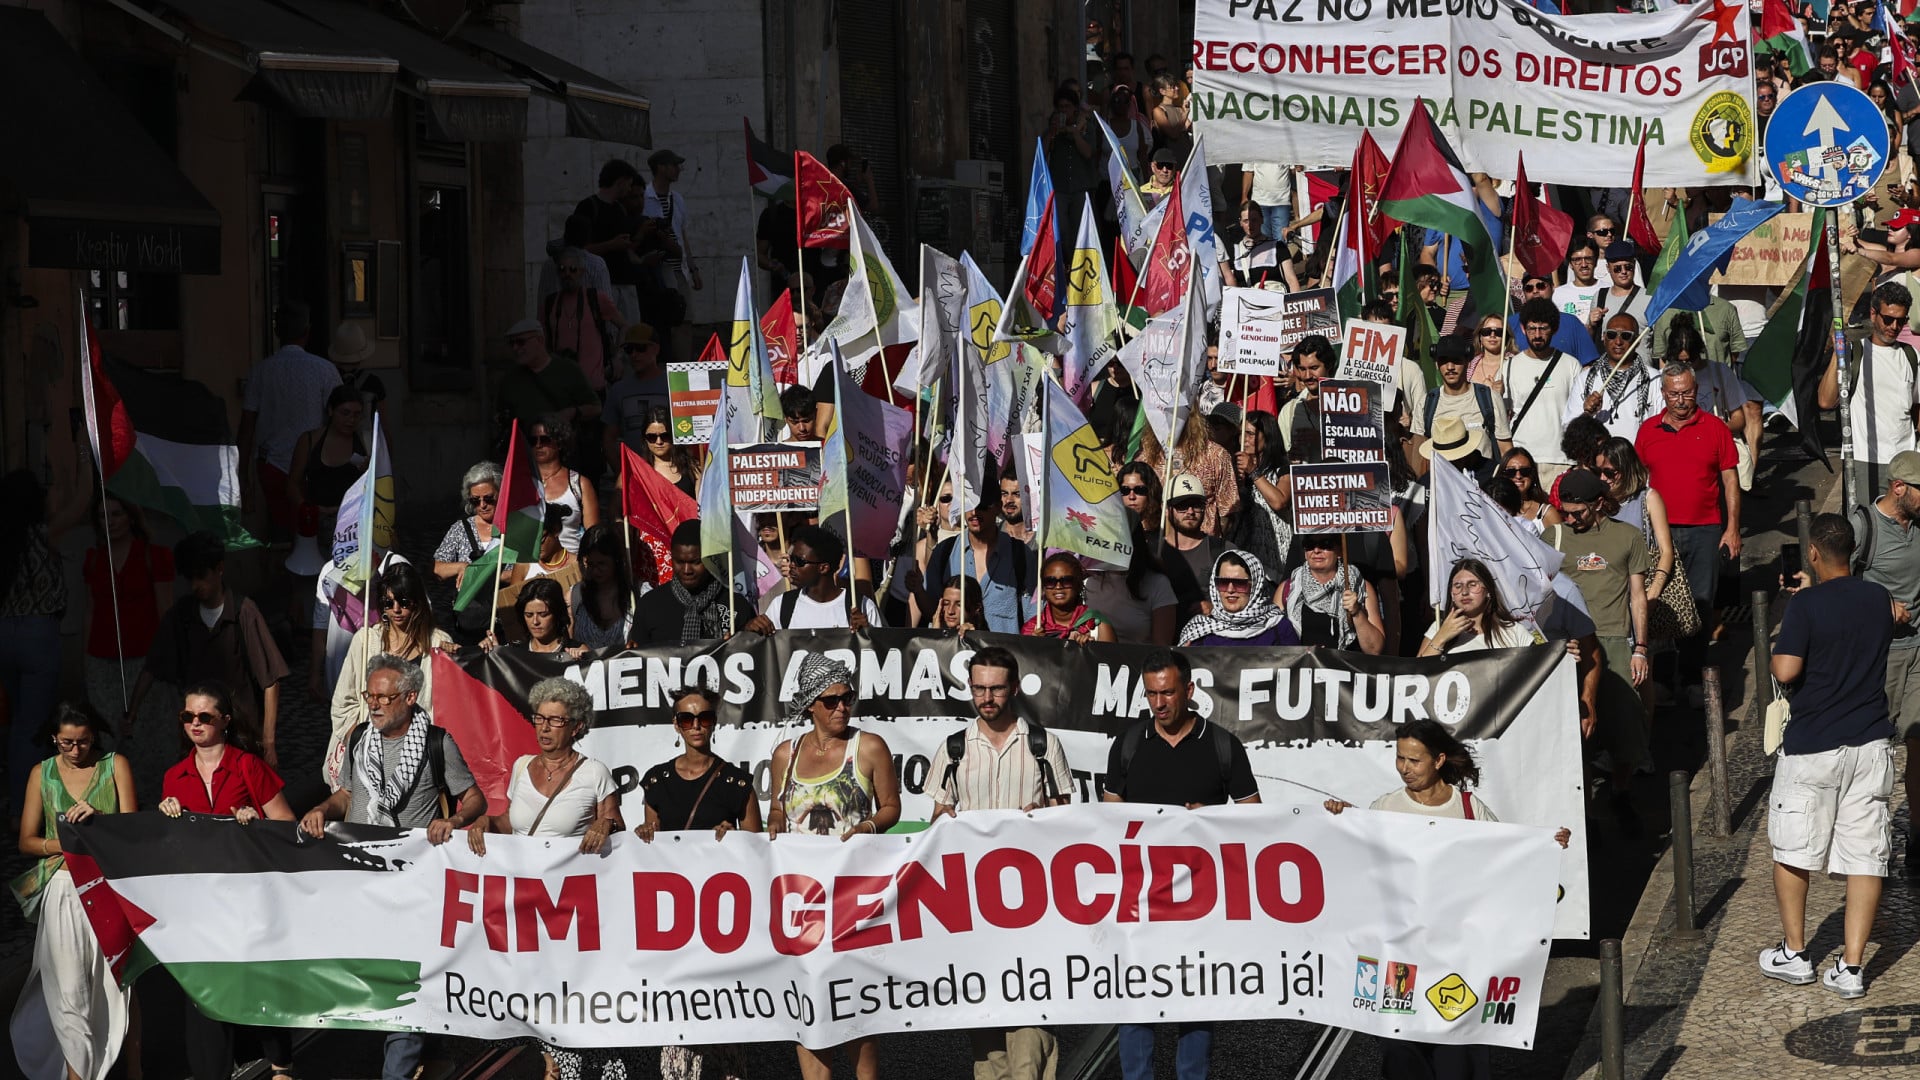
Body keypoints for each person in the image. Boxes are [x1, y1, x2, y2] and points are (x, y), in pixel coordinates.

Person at [300, 655, 481, 1080]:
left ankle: (397, 1071)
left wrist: (452, 820)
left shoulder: (438, 742)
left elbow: (473, 798)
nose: (374, 705)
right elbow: (347, 794)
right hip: (363, 879)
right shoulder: (360, 737)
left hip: (415, 882)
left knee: (407, 980)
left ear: (411, 697)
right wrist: (323, 808)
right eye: (370, 695)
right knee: (378, 975)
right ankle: (430, 1051)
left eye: (384, 696)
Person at [1101, 649, 1256, 1080]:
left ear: (1189, 690)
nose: (1159, 703)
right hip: (1141, 897)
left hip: (1200, 902)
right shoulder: (1129, 744)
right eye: (1151, 694)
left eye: (1168, 692)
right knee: (1135, 1000)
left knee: (1196, 998)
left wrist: (1212, 817)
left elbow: (1254, 819)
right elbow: (1107, 818)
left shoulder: (1223, 745)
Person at [1762, 513, 1897, 999]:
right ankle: (1853, 967)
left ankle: (1796, 954)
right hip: (1871, 741)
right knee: (1865, 855)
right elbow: (1882, 615)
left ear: (1813, 553)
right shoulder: (1878, 597)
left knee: (1795, 847)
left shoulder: (1806, 607)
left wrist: (1792, 616)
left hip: (1814, 744)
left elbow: (1787, 666)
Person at [466, 677, 623, 1080]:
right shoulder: (521, 766)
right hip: (524, 899)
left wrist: (604, 828)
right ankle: (553, 1062)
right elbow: (512, 821)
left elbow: (617, 826)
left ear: (577, 727)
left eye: (556, 721)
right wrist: (487, 820)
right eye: (540, 718)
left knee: (571, 988)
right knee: (536, 988)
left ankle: (581, 1066)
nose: (545, 728)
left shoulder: (595, 773)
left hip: (572, 905)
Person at [923, 646, 1069, 1080]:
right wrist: (944, 823)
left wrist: (1042, 819)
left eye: (996, 689)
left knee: (1029, 1014)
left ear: (1015, 688)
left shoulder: (1044, 745)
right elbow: (935, 822)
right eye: (979, 688)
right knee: (984, 1027)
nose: (987, 698)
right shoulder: (953, 749)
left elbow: (1067, 820)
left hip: (1033, 906)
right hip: (974, 907)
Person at [765, 655, 901, 1080]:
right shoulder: (786, 754)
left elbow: (892, 807)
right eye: (831, 701)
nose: (842, 707)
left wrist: (868, 825)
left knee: (856, 1018)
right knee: (809, 1018)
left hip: (849, 901)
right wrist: (772, 823)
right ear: (810, 704)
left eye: (848, 698)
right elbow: (775, 808)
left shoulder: (870, 746)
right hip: (801, 903)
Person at [157, 682, 296, 1080]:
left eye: (204, 717)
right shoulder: (174, 777)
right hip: (200, 906)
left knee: (256, 982)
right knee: (204, 990)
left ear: (225, 721)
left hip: (249, 900)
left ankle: (281, 1065)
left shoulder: (247, 766)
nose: (195, 723)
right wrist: (167, 814)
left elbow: (287, 824)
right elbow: (171, 847)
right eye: (188, 717)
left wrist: (257, 822)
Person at [632, 683, 758, 1080]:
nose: (696, 725)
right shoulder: (655, 782)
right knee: (678, 1024)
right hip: (674, 922)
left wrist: (735, 839)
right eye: (687, 718)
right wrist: (643, 835)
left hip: (721, 922)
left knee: (723, 1023)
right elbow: (649, 847)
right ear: (676, 725)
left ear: (714, 722)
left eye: (703, 717)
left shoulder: (737, 783)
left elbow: (757, 852)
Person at [11, 702, 136, 1080]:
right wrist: (64, 841)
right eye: (66, 743)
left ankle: (130, 1066)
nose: (75, 750)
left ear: (93, 736)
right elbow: (26, 841)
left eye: (82, 742)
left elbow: (132, 829)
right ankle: (78, 1074)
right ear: (54, 738)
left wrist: (99, 823)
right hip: (63, 888)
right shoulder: (41, 773)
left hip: (108, 886)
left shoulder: (115, 765)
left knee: (114, 983)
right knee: (69, 989)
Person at [129, 533, 288, 772]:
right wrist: (131, 712)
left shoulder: (244, 611)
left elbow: (271, 680)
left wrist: (268, 742)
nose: (195, 586)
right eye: (190, 579)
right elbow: (153, 666)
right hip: (198, 737)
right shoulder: (182, 615)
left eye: (201, 577)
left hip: (240, 734)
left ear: (219, 569)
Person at [1546, 469, 1651, 822]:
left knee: (1625, 727)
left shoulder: (1627, 536)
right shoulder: (1553, 537)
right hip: (1568, 644)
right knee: (1576, 732)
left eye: (1578, 512)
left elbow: (1638, 596)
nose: (1571, 519)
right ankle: (1583, 813)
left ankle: (1620, 790)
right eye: (1566, 511)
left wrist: (1641, 648)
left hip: (1614, 640)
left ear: (1599, 504)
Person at [1637, 362, 1740, 698]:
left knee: (1699, 603)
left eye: (1687, 392)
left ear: (1697, 391)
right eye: (1674, 394)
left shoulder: (1715, 428)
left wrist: (1733, 528)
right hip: (1659, 533)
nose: (1681, 400)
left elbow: (1730, 480)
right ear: (1663, 394)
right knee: (1661, 604)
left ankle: (1695, 677)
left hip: (1705, 530)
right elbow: (1638, 483)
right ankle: (1665, 678)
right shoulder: (1648, 430)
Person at [1848, 452, 1920, 875]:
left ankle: (1916, 836)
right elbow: (1835, 582)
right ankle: (1867, 838)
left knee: (1918, 744)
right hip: (1882, 657)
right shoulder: (1864, 527)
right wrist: (1881, 605)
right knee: (1877, 751)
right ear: (1899, 488)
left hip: (1919, 652)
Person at [2, 468, 89, 816]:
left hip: (4, 633)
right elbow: (82, 496)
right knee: (31, 725)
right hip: (39, 634)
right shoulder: (44, 534)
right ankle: (24, 812)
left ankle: (19, 801)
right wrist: (83, 446)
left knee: (16, 721)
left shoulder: (4, 539)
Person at [325, 561, 453, 788]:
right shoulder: (365, 641)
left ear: (417, 601)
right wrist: (360, 739)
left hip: (417, 759)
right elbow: (342, 702)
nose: (396, 609)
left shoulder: (438, 644)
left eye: (403, 601)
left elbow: (449, 709)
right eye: (387, 602)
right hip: (368, 759)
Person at [238, 302, 341, 538]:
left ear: (276, 332)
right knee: (311, 534)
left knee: (273, 536)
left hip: (271, 466)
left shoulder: (260, 371)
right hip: (312, 469)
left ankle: (275, 571)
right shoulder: (325, 370)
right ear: (307, 331)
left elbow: (246, 428)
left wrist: (244, 479)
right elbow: (337, 424)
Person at [81, 494, 174, 739]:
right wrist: (86, 658)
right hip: (101, 661)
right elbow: (90, 610)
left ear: (131, 518)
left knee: (145, 735)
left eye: (116, 514)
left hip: (144, 660)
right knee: (106, 737)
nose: (110, 521)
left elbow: (166, 611)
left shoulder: (153, 556)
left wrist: (164, 658)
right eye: (103, 516)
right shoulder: (93, 559)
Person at [1820, 281, 1919, 503]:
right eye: (1888, 319)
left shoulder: (1911, 356)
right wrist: (1838, 354)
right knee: (1865, 528)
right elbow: (1826, 401)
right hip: (1864, 462)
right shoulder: (1856, 353)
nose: (1894, 326)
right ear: (1873, 315)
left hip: (1906, 463)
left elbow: (1916, 408)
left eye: (1901, 321)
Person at [287, 384, 368, 636]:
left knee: (349, 582)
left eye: (356, 414)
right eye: (345, 413)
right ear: (331, 410)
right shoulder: (310, 440)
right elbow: (292, 482)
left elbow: (375, 483)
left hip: (351, 526)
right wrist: (306, 508)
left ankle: (346, 629)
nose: (351, 420)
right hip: (315, 524)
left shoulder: (364, 441)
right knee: (310, 582)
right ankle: (310, 633)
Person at [632, 521, 752, 644]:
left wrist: (750, 634)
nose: (686, 570)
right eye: (680, 562)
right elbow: (636, 655)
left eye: (695, 562)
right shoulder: (650, 605)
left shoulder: (736, 604)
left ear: (710, 558)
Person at [1503, 300, 1581, 486]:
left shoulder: (1571, 365)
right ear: (1523, 329)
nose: (1537, 335)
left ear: (1554, 329)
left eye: (1543, 328)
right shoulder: (1509, 367)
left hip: (1562, 460)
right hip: (1523, 463)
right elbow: (1503, 418)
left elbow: (1578, 416)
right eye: (1532, 328)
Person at [747, 525, 881, 631]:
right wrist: (752, 630)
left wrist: (868, 634)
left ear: (823, 568)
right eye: (791, 559)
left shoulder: (861, 607)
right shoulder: (782, 605)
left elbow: (883, 656)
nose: (792, 565)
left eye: (799, 561)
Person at [432, 462, 503, 645]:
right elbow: (437, 568)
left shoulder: (512, 528)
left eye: (489, 499)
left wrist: (486, 573)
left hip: (505, 615)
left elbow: (525, 568)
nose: (482, 505)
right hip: (471, 621)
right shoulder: (461, 529)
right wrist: (463, 567)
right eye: (475, 500)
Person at [540, 247, 626, 392]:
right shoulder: (550, 303)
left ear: (581, 272)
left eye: (573, 269)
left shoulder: (596, 298)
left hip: (593, 387)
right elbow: (541, 340)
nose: (567, 274)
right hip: (560, 387)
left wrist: (618, 357)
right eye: (562, 269)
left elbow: (624, 326)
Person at [643, 148, 702, 361]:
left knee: (685, 319)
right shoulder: (644, 198)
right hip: (657, 268)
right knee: (665, 321)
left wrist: (693, 268)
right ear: (661, 167)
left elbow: (683, 234)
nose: (678, 170)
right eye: (674, 165)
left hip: (680, 269)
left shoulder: (677, 199)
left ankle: (684, 366)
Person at [1282, 536, 1386, 653]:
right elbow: (1275, 643)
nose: (1316, 550)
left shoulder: (1360, 586)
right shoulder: (1289, 587)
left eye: (1325, 544)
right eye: (1310, 544)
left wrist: (1357, 612)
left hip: (1345, 668)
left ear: (1340, 551)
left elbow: (1374, 649)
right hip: (1303, 669)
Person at [1418, 558, 1541, 655]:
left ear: (1487, 590)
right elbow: (1418, 675)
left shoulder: (1514, 631)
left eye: (1472, 584)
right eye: (1457, 586)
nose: (1464, 592)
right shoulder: (1439, 627)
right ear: (1451, 594)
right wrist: (1441, 638)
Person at [1567, 312, 1658, 442]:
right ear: (1604, 338)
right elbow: (1569, 429)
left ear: (1637, 341)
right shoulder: (1585, 378)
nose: (1618, 341)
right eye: (1611, 335)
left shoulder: (1654, 378)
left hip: (1636, 459)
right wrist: (1586, 414)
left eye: (1626, 336)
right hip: (1597, 458)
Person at [496, 320, 600, 433]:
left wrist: (571, 413)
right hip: (524, 445)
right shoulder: (510, 379)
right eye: (512, 344)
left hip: (558, 443)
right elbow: (500, 415)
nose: (515, 348)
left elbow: (595, 408)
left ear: (540, 340)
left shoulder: (568, 370)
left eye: (521, 342)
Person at [1416, 338, 1511, 462]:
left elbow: (1506, 450)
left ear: (1468, 362)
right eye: (1444, 361)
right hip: (1442, 479)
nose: (1450, 367)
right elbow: (1418, 454)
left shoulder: (1490, 398)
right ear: (1436, 364)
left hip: (1483, 478)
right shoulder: (1426, 403)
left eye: (1456, 361)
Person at [1178, 550, 1297, 646]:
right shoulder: (1199, 630)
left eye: (1239, 583)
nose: (1230, 590)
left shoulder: (1279, 627)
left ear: (1255, 586)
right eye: (1223, 582)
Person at [1084, 528, 1179, 645]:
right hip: (1093, 661)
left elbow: (1162, 646)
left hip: (1139, 661)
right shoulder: (1088, 583)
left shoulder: (1158, 583)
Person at [1159, 473, 1224, 624]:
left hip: (1208, 641)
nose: (1190, 511)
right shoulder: (1153, 552)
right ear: (1166, 508)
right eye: (1182, 505)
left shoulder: (1221, 550)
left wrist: (1217, 608)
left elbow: (1244, 596)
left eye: (1196, 505)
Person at [531, 415, 599, 555]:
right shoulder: (520, 483)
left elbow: (593, 536)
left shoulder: (580, 484)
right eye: (533, 440)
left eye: (545, 440)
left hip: (570, 567)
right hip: (530, 568)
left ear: (560, 443)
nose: (538, 445)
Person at [603, 324, 670, 464]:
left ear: (656, 349)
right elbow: (608, 438)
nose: (634, 355)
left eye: (640, 348)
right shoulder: (619, 390)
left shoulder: (673, 385)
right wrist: (620, 472)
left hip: (670, 471)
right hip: (634, 474)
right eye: (629, 349)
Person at [483, 578, 588, 660]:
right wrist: (495, 656)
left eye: (543, 614)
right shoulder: (515, 654)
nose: (535, 622)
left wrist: (584, 660)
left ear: (557, 613)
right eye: (528, 615)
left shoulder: (577, 650)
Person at [1025, 553, 1115, 642]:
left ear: (1078, 584)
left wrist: (1090, 649)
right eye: (1050, 581)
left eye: (1067, 580)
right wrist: (1034, 647)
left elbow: (1109, 656)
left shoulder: (1099, 625)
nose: (1058, 586)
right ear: (1043, 586)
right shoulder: (1031, 629)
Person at [570, 525, 634, 650]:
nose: (595, 570)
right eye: (590, 564)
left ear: (616, 561)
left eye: (602, 563)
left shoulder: (637, 594)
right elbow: (569, 640)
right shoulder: (576, 595)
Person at [1595, 242, 1652, 366]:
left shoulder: (1649, 297)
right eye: (1617, 268)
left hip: (1642, 374)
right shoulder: (1600, 296)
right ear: (1608, 268)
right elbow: (1592, 338)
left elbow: (1659, 342)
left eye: (1628, 267)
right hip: (1610, 374)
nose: (1623, 272)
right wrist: (1592, 323)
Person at [634, 406, 699, 497]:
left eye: (665, 436)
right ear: (645, 438)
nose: (659, 442)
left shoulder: (692, 467)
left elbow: (703, 506)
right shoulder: (635, 470)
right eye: (651, 437)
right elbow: (616, 506)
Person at [1499, 448, 1561, 533]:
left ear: (1532, 474)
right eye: (1511, 471)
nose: (1518, 476)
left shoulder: (1548, 514)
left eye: (1525, 471)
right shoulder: (1493, 508)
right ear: (1502, 475)